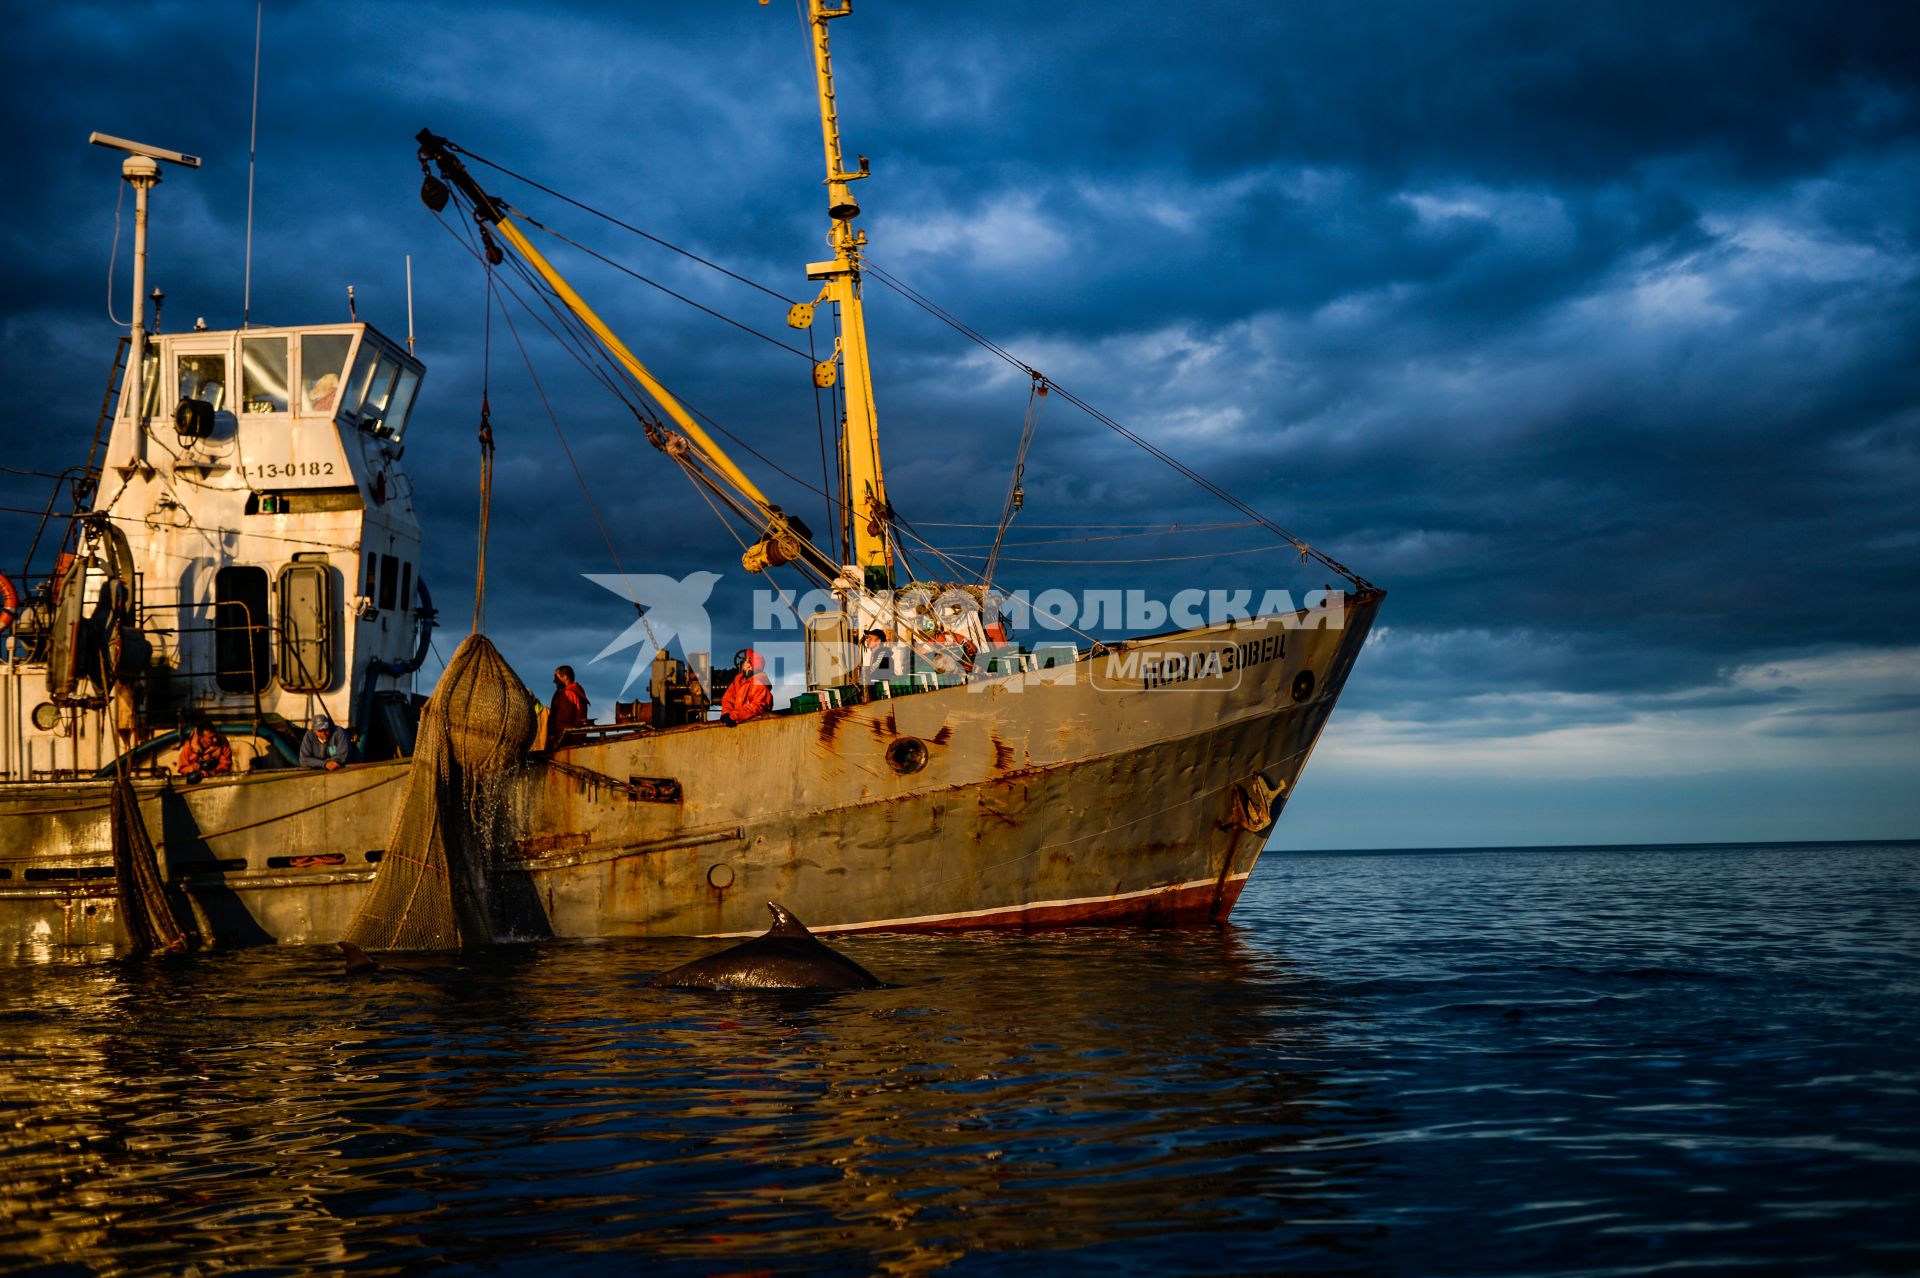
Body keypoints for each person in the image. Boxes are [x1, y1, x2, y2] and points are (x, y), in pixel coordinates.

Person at [720, 650, 773, 725]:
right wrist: (726, 713)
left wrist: (734, 716)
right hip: (739, 725)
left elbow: (757, 706)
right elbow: (728, 698)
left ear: (749, 665)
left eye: (745, 660)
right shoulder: (738, 681)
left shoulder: (759, 684)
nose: (742, 663)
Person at [548, 666, 591, 744]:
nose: (554, 681)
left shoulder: (567, 695)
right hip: (577, 741)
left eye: (556, 677)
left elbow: (563, 721)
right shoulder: (577, 692)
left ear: (565, 677)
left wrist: (555, 740)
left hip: (566, 743)